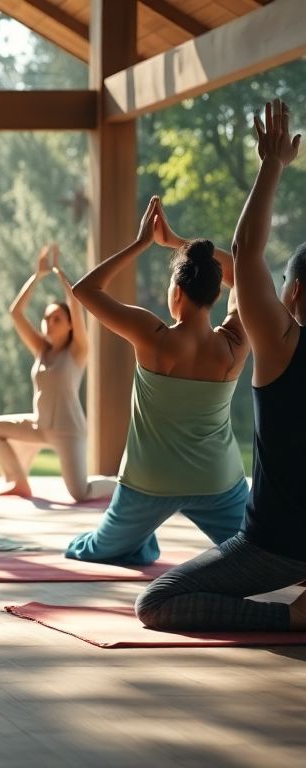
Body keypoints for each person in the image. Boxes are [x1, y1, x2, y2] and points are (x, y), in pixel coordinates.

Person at [137, 99, 306, 631]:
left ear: (294, 291)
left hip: (277, 547)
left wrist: (272, 165)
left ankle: (293, 619)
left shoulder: (283, 342)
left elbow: (246, 252)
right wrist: (180, 243)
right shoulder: (279, 337)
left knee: (158, 601)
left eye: (280, 287)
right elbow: (243, 267)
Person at [65, 197, 249, 565]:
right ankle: (141, 541)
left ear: (176, 292)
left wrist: (142, 243)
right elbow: (245, 274)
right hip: (217, 480)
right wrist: (179, 242)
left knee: (88, 549)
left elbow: (85, 290)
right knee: (266, 548)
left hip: (149, 482)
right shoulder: (233, 344)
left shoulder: (153, 337)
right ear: (216, 294)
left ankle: (140, 541)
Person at [0, 244, 116, 502]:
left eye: (56, 318)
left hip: (69, 431)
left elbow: (75, 305)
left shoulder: (78, 351)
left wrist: (60, 273)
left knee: (80, 492)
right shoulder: (41, 349)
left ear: (69, 325)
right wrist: (38, 276)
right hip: (39, 426)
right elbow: (16, 313)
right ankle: (18, 483)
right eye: (47, 318)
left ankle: (122, 486)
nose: (49, 323)